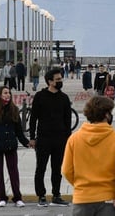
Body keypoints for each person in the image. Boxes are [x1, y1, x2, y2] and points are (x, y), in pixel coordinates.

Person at [62, 96, 115, 216]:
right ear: (106, 115)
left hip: (82, 197)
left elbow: (66, 170)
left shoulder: (74, 138)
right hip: (106, 197)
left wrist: (80, 185)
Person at [29, 68, 72, 207]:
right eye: (57, 79)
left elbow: (68, 121)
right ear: (50, 81)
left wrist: (68, 139)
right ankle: (41, 195)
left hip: (60, 139)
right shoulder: (40, 96)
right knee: (40, 168)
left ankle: (56, 195)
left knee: (57, 169)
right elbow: (33, 118)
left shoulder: (64, 98)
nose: (60, 81)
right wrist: (32, 137)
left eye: (61, 79)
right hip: (43, 138)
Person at [0, 86, 29, 208]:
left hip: (10, 144)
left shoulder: (14, 109)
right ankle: (1, 197)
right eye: (5, 93)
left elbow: (19, 131)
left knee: (13, 172)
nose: (8, 95)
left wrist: (26, 142)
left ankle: (17, 197)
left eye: (9, 93)